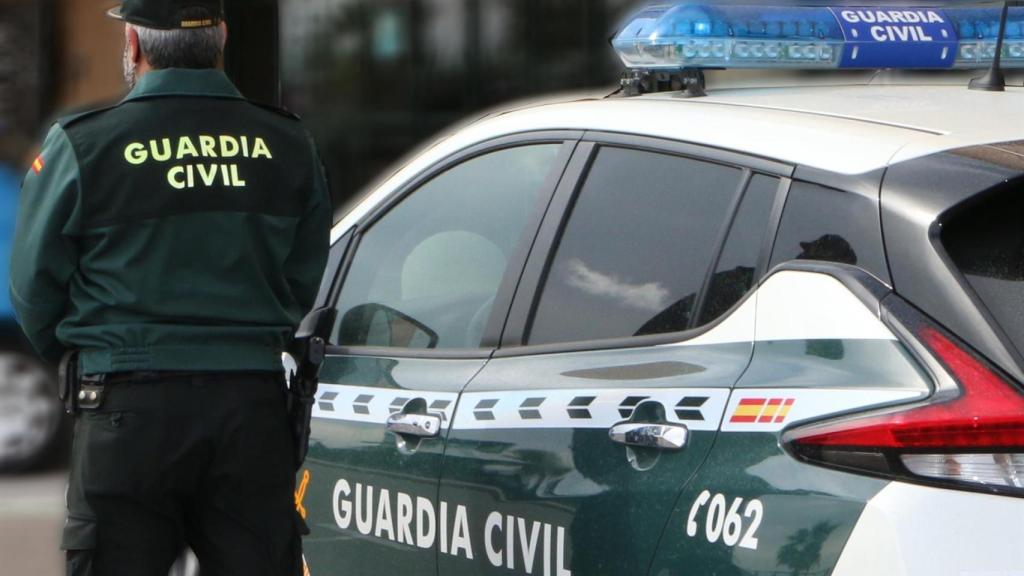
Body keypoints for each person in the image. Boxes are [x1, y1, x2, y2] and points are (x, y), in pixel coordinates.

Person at [9, 0, 331, 574]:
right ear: (222, 39)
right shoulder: (287, 143)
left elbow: (34, 289)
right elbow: (302, 275)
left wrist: (87, 356)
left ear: (133, 46)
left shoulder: (84, 144)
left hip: (124, 412)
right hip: (250, 410)